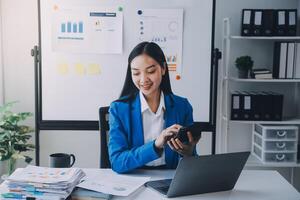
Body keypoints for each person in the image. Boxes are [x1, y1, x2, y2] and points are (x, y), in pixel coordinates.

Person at [108, 42, 200, 173]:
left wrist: (188, 152)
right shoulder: (119, 109)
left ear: (163, 68)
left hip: (170, 180)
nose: (143, 80)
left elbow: (191, 161)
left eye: (150, 71)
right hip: (133, 179)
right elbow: (117, 162)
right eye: (136, 73)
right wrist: (156, 144)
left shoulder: (182, 106)